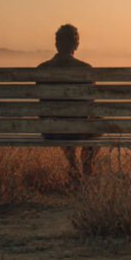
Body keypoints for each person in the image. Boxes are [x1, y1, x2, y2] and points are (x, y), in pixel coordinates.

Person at [37, 24, 97, 180]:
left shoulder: (42, 69)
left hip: (50, 131)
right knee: (97, 123)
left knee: (62, 122)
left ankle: (72, 163)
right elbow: (90, 104)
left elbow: (42, 103)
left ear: (56, 44)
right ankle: (87, 163)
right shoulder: (86, 69)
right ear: (76, 45)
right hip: (77, 130)